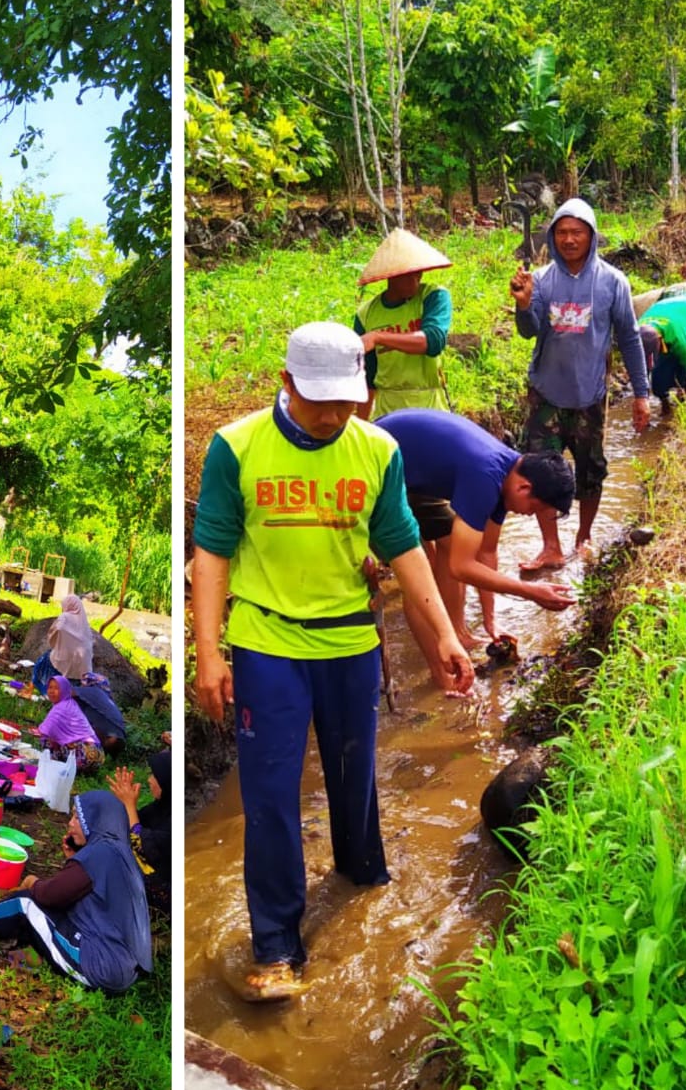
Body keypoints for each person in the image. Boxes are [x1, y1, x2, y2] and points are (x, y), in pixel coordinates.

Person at [192, 321, 473, 1001]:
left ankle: (363, 881)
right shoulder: (236, 447)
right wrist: (209, 651)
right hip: (269, 644)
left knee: (354, 779)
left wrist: (443, 636)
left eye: (345, 402)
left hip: (349, 644)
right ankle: (277, 947)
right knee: (270, 799)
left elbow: (404, 546)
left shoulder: (376, 451)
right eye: (320, 402)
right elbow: (212, 554)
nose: (332, 416)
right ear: (285, 384)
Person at [510, 198, 650, 569]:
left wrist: (641, 394)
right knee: (539, 469)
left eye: (577, 232)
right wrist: (524, 305)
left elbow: (630, 338)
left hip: (589, 396)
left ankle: (584, 537)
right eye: (562, 232)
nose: (569, 239)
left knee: (591, 471)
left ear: (592, 236)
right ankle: (551, 546)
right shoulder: (540, 280)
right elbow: (529, 332)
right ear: (552, 237)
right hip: (545, 394)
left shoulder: (612, 282)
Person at [374, 410, 577, 651]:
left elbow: (486, 553)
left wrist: (490, 621)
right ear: (525, 488)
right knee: (421, 568)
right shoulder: (486, 476)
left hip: (414, 473)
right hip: (376, 466)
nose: (531, 514)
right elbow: (461, 567)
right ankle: (443, 676)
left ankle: (457, 633)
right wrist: (529, 591)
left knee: (449, 544)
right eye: (536, 507)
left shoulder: (508, 474)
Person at [0, 791, 152, 993]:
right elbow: (77, 895)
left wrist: (31, 882)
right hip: (120, 966)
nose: (70, 823)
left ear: (95, 822)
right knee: (34, 904)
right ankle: (16, 940)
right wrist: (76, 860)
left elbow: (50, 896)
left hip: (99, 966)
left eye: (78, 818)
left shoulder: (100, 854)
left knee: (25, 905)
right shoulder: (119, 853)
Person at [351, 228, 453, 418]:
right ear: (391, 275)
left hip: (430, 406)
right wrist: (362, 424)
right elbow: (368, 377)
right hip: (388, 410)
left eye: (419, 272)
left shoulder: (433, 297)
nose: (417, 278)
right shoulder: (367, 315)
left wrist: (378, 337)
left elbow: (432, 341)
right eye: (409, 273)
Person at [110, 750, 171, 916]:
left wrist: (129, 805)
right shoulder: (161, 807)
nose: (149, 780)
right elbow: (131, 824)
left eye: (154, 777)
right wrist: (127, 803)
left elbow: (140, 845)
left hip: (162, 894)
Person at [35, 675, 105, 774]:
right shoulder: (71, 704)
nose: (51, 691)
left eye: (56, 688)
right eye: (50, 687)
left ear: (64, 690)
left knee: (45, 740)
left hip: (85, 756)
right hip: (98, 756)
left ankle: (56, 763)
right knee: (56, 739)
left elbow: (44, 731)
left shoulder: (61, 708)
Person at [33, 593, 94, 694]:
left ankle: (46, 690)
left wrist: (58, 642)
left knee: (45, 659)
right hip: (83, 666)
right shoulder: (84, 623)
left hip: (64, 660)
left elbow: (58, 628)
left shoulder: (65, 616)